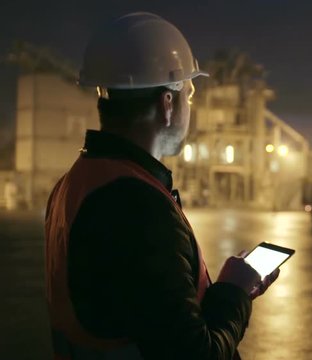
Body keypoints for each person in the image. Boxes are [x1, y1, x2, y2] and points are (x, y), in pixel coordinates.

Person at [44, 12, 278, 360]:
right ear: (167, 104)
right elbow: (194, 354)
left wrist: (225, 292)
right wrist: (234, 294)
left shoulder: (75, 183)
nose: (190, 107)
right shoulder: (137, 206)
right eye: (189, 94)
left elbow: (145, 314)